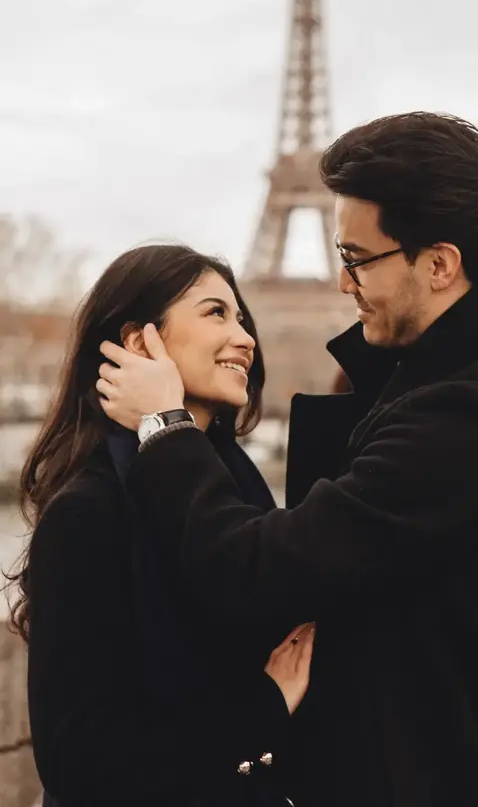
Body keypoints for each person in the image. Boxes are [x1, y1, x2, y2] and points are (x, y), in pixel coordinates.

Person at [99, 112, 478, 807]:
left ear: (439, 264)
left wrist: (165, 426)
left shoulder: (468, 417)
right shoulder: (464, 384)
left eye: (355, 259)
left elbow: (258, 571)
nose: (342, 284)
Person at [9, 245, 314, 807]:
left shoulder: (236, 498)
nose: (246, 337)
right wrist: (263, 710)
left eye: (242, 317)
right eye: (215, 313)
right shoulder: (89, 512)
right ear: (139, 342)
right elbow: (80, 758)